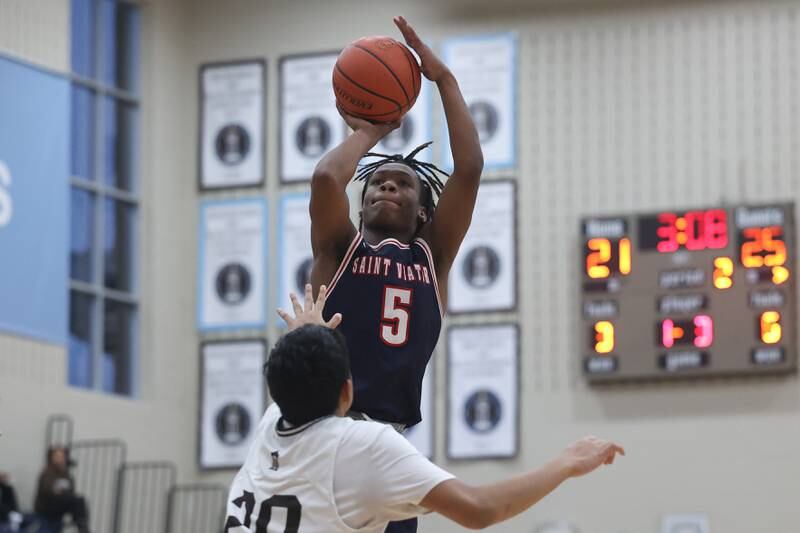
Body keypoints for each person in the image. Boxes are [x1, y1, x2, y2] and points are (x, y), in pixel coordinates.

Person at [228, 286, 625, 533]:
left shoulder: (269, 428)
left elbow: (297, 376)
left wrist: (309, 336)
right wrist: (568, 463)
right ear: (347, 392)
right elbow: (480, 510)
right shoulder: (363, 448)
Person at [308, 18, 483, 531]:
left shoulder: (434, 257)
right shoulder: (339, 247)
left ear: (424, 212)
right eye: (378, 183)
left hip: (389, 446)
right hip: (325, 434)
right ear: (361, 207)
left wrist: (444, 79)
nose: (387, 187)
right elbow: (324, 179)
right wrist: (372, 130)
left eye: (402, 185)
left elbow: (469, 167)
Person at [33, 447, 90, 533]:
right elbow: (48, 489)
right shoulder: (47, 472)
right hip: (47, 505)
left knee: (79, 500)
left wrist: (63, 492)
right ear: (52, 458)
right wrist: (60, 491)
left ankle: (82, 526)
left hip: (60, 503)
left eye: (62, 456)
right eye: (57, 456)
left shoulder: (66, 474)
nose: (60, 459)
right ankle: (81, 524)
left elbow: (71, 491)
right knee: (71, 499)